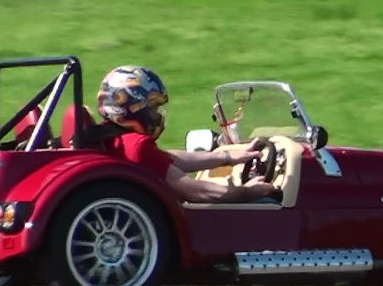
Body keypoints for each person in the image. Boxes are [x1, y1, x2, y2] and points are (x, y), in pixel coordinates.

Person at [95, 65, 280, 203]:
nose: (156, 115)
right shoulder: (137, 147)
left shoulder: (113, 139)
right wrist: (247, 193)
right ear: (133, 108)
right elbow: (197, 191)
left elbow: (169, 160)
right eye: (152, 108)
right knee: (265, 202)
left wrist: (226, 157)